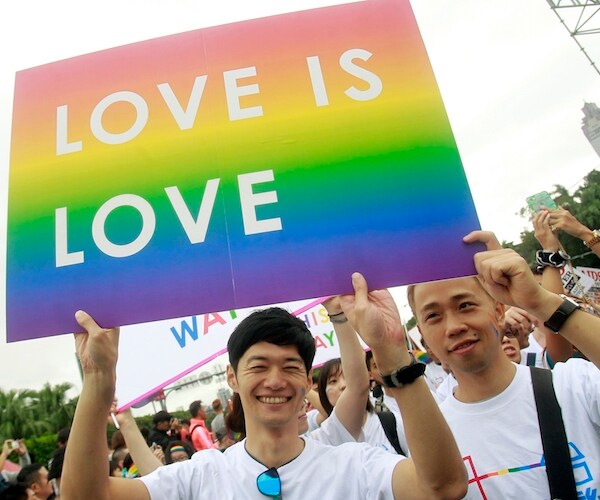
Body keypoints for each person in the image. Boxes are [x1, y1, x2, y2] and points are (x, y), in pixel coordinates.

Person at [61, 277, 467, 498]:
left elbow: (443, 486)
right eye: (258, 366)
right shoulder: (196, 479)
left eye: (290, 366)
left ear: (308, 380)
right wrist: (97, 381)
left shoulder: (355, 466)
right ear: (232, 378)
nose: (275, 380)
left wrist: (393, 352)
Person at [407, 230, 600, 497]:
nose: (454, 327)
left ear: (499, 311)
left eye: (465, 305)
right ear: (423, 335)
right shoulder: (434, 445)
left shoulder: (574, 387)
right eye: (433, 316)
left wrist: (540, 301)